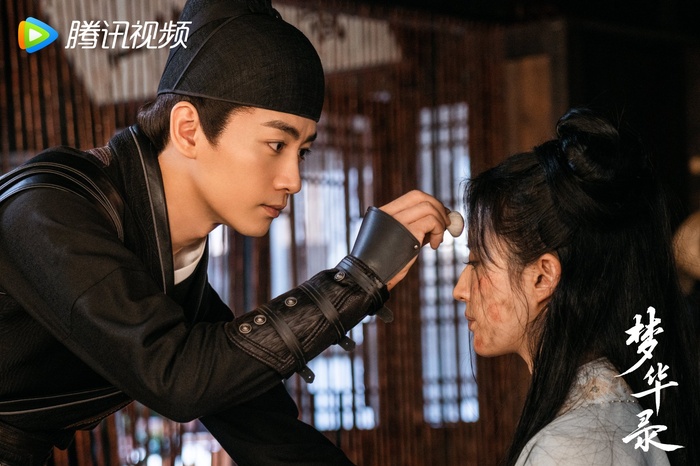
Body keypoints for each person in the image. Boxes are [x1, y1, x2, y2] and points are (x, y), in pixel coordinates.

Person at [0, 0, 451, 464]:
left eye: (302, 152)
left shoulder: (174, 278)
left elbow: (272, 439)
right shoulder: (51, 208)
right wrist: (352, 283)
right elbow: (174, 379)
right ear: (188, 130)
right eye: (275, 144)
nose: (293, 179)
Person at [452, 108, 699, 466]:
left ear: (542, 277)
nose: (461, 289)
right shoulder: (612, 419)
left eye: (477, 263)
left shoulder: (571, 449)